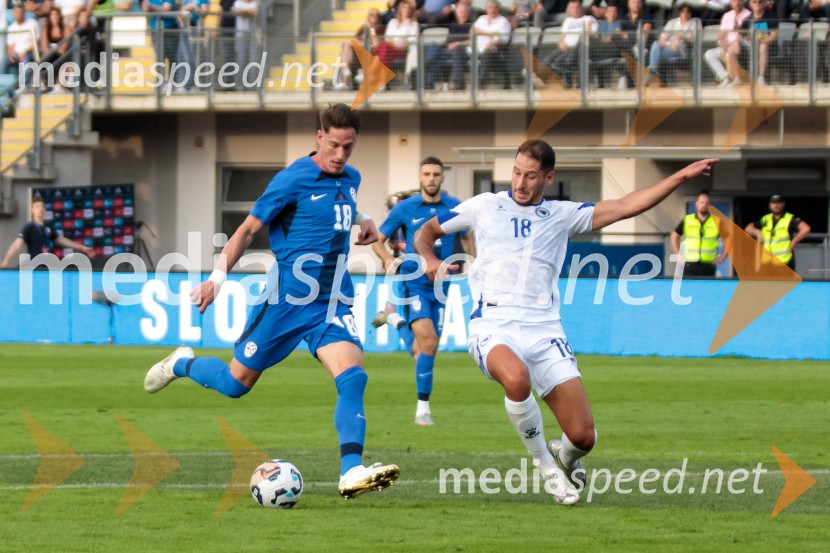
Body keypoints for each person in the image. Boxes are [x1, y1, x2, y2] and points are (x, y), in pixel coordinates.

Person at [415, 139, 717, 504]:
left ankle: (566, 456)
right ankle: (547, 468)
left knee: (584, 437)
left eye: (530, 176)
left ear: (548, 177)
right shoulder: (485, 206)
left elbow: (625, 206)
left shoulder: (562, 214)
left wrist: (680, 176)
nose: (520, 184)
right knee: (516, 378)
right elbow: (426, 233)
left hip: (544, 329)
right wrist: (429, 259)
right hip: (493, 323)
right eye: (515, 173)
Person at [143, 104, 400, 500]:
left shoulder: (351, 177)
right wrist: (216, 280)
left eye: (347, 147)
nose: (339, 155)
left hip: (331, 302)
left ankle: (351, 471)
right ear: (319, 137)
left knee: (353, 378)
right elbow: (246, 231)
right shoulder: (291, 179)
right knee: (234, 384)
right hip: (284, 301)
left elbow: (339, 201)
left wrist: (364, 217)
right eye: (333, 145)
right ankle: (181, 362)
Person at [370, 156, 475, 426]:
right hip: (413, 281)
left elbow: (466, 235)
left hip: (442, 284)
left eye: (436, 174)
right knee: (429, 342)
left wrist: (476, 263)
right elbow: (378, 240)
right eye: (426, 174)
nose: (431, 178)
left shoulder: (455, 206)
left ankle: (394, 319)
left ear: (442, 178)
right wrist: (386, 259)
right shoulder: (405, 208)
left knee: (423, 350)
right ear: (420, 177)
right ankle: (422, 410)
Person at [1, 197, 96, 268]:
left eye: (42, 207)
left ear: (45, 210)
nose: (40, 209)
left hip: (47, 266)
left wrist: (82, 247)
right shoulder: (29, 227)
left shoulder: (48, 229)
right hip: (34, 266)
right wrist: (6, 260)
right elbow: (17, 244)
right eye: (37, 207)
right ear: (32, 210)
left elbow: (62, 240)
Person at [745, 194, 811, 271]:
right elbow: (748, 227)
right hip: (767, 263)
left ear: (783, 204)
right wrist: (758, 233)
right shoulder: (766, 219)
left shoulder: (789, 218)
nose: (776, 205)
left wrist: (794, 241)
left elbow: (806, 228)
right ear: (770, 205)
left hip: (784, 262)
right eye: (773, 202)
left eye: (779, 202)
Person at [670, 192, 727, 277]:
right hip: (690, 264)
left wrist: (722, 257)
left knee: (706, 289)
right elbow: (675, 235)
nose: (704, 205)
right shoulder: (688, 220)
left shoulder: (717, 222)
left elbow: (729, 240)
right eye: (701, 202)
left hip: (708, 264)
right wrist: (678, 254)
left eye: (706, 203)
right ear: (696, 204)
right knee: (689, 289)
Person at [544, 0, 597, 88]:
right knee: (547, 60)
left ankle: (566, 83)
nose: (575, 10)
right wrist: (561, 43)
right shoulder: (568, 20)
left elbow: (591, 33)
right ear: (569, 10)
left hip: (580, 49)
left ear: (581, 8)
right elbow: (562, 36)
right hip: (565, 48)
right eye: (573, 8)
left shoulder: (589, 19)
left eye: (577, 7)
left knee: (559, 61)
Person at [646, 2, 700, 85]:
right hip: (669, 48)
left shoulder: (695, 22)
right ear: (679, 12)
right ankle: (653, 69)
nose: (685, 13)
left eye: (688, 11)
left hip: (682, 50)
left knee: (656, 54)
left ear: (691, 12)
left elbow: (696, 39)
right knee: (655, 44)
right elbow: (661, 39)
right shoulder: (672, 22)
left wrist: (683, 37)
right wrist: (670, 45)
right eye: (683, 11)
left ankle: (652, 71)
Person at [335, 7, 385, 90]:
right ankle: (346, 72)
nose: (374, 16)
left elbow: (376, 45)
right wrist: (364, 45)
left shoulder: (381, 29)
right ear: (368, 17)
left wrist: (371, 29)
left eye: (376, 15)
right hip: (360, 53)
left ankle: (347, 79)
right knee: (346, 46)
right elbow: (354, 40)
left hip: (372, 55)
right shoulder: (363, 29)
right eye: (371, 15)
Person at [704, 0, 751, 87]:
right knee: (709, 54)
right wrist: (722, 43)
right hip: (728, 45)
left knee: (730, 51)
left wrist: (730, 44)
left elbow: (744, 35)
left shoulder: (748, 15)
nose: (736, 3)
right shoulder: (727, 15)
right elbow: (722, 34)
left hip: (743, 44)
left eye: (738, 1)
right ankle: (724, 77)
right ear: (731, 2)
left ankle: (736, 79)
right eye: (734, 1)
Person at [473, 0, 513, 89]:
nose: (492, 10)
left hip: (496, 50)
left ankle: (481, 81)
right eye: (490, 7)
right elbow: (473, 31)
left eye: (495, 8)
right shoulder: (481, 19)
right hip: (477, 48)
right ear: (486, 9)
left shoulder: (503, 21)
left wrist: (492, 42)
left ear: (498, 9)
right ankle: (460, 83)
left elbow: (503, 39)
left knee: (489, 53)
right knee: (458, 51)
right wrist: (492, 33)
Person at [739, 0, 777, 86]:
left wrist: (761, 42)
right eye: (754, 2)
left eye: (760, 2)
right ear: (750, 4)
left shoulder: (771, 17)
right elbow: (741, 36)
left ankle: (761, 78)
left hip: (768, 46)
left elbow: (774, 35)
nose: (757, 4)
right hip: (750, 45)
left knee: (762, 46)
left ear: (764, 3)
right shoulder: (747, 20)